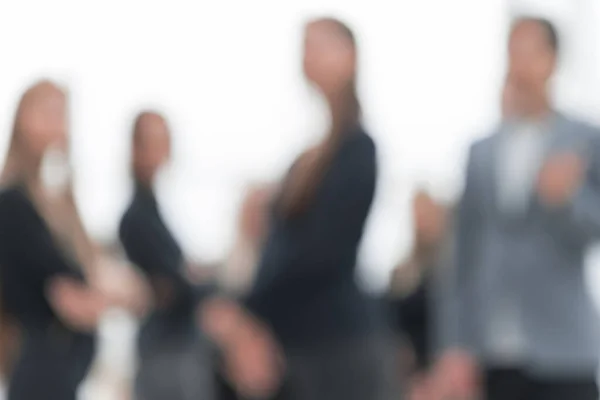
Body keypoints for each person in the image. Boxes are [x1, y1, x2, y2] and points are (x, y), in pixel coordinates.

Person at [437, 17, 600, 400]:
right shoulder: (481, 151)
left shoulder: (584, 139)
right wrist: (454, 345)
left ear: (553, 60)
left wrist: (566, 201)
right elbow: (463, 254)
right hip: (495, 351)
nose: (521, 62)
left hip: (564, 347)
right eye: (514, 51)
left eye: (531, 51)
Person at [244, 17, 397, 400]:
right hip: (303, 345)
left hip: (340, 348)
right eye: (305, 46)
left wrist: (247, 307)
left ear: (350, 58)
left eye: (318, 45)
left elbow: (322, 252)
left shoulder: (357, 150)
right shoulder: (309, 158)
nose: (307, 56)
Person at [119, 111, 281, 400]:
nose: (161, 149)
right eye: (152, 141)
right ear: (136, 148)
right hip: (166, 348)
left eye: (164, 140)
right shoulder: (136, 217)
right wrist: (205, 287)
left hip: (178, 345)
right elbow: (174, 285)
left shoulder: (151, 210)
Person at [0, 80, 113, 400]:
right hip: (41, 372)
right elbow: (75, 301)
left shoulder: (56, 204)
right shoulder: (13, 203)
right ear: (22, 119)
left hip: (65, 374)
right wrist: (118, 299)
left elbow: (90, 274)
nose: (57, 123)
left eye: (62, 114)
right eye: (47, 112)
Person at [388, 190, 452, 399]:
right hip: (411, 370)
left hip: (444, 365)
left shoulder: (452, 270)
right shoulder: (403, 270)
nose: (420, 220)